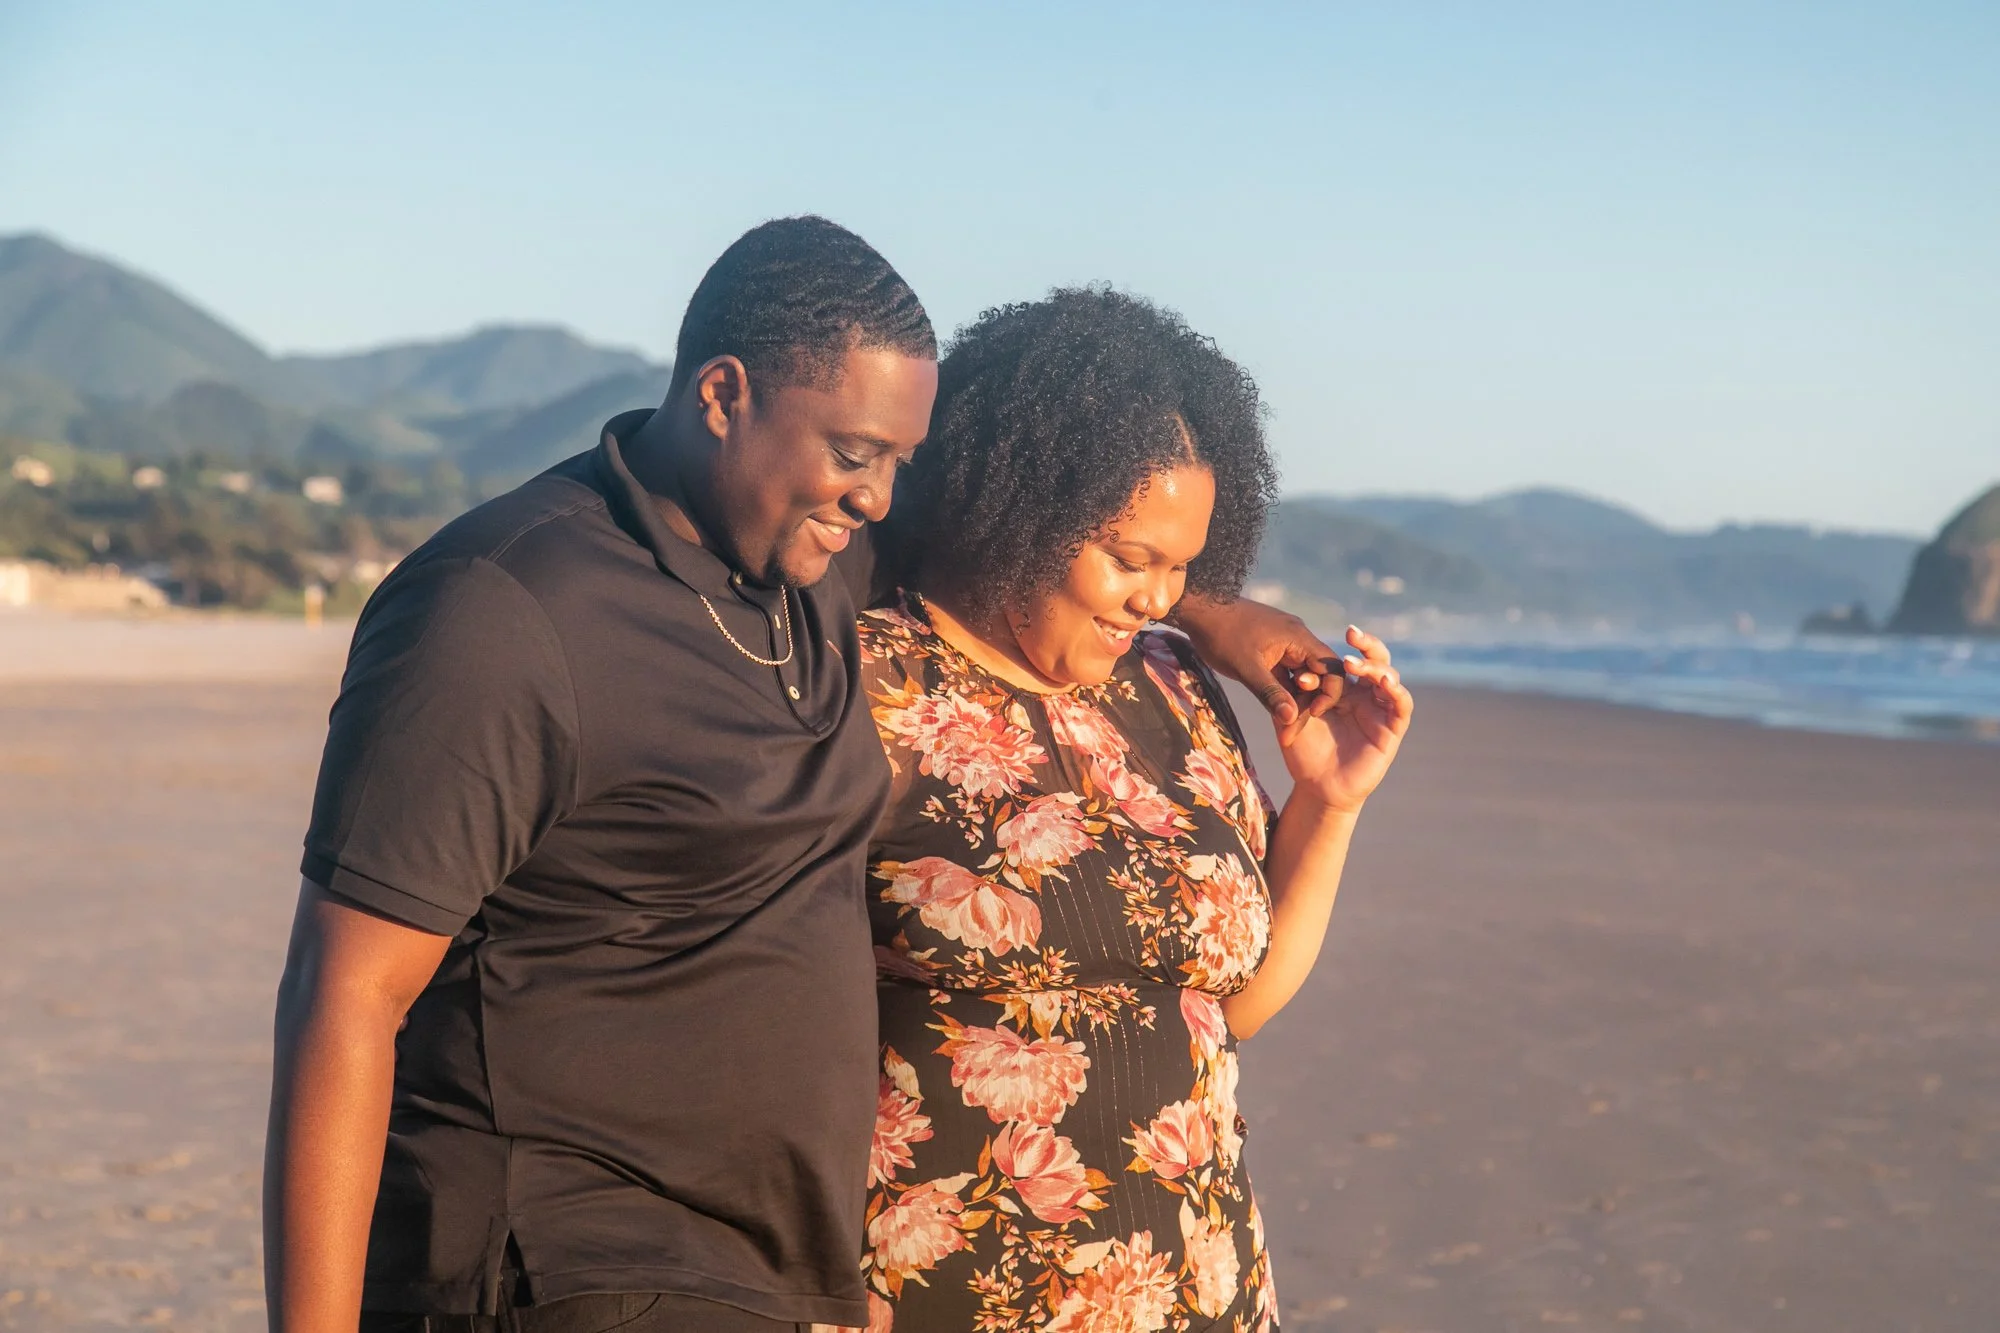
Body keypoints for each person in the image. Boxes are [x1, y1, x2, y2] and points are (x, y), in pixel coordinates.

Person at [265, 219, 1354, 1333]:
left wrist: (1223, 615)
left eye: (897, 463)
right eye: (854, 454)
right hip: (561, 1258)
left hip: (766, 1273)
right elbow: (344, 992)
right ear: (722, 395)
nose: (879, 497)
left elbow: (1028, 523)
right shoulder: (503, 608)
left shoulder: (806, 566)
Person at [851, 288, 1413, 1331]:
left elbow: (1233, 1006)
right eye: (1129, 558)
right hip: (942, 1295)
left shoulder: (1172, 686)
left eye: (1183, 568)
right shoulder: (869, 685)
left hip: (1196, 1286)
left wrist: (1330, 802)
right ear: (1018, 511)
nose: (1158, 599)